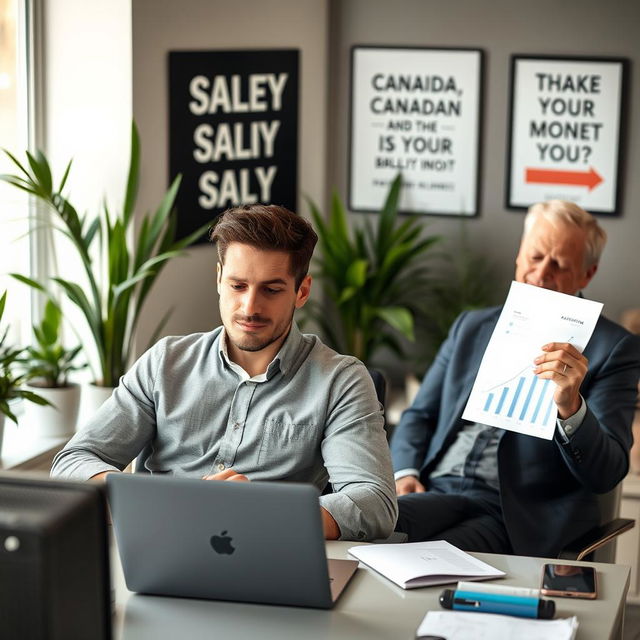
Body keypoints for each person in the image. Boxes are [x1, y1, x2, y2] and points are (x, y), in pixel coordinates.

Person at [52, 204, 398, 542]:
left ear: (301, 291)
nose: (250, 307)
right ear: (219, 279)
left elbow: (373, 504)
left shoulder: (340, 380)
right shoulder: (165, 362)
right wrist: (155, 501)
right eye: (237, 286)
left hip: (262, 554)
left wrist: (258, 512)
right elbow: (72, 462)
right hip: (156, 547)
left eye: (272, 289)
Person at [390, 200, 640, 557]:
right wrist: (405, 473)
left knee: (421, 558)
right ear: (519, 257)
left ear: (587, 274)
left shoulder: (613, 348)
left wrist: (571, 407)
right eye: (535, 257)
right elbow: (420, 415)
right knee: (366, 527)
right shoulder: (471, 327)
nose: (541, 274)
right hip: (436, 490)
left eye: (559, 264)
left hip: (514, 513)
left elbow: (608, 471)